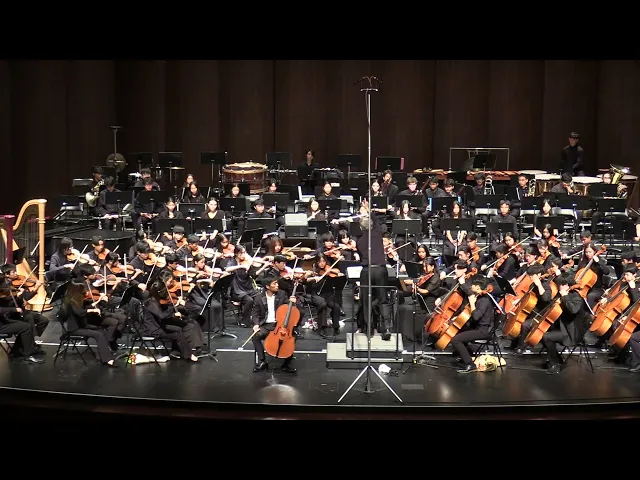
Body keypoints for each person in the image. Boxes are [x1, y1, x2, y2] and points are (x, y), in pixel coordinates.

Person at [61, 281, 116, 367]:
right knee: (98, 335)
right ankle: (107, 359)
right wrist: (92, 310)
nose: (85, 293)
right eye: (83, 292)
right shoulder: (71, 302)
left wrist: (98, 301)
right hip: (75, 329)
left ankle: (102, 355)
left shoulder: (77, 301)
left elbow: (86, 307)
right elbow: (79, 312)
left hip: (81, 325)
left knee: (102, 330)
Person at [540, 276, 587, 375]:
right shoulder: (562, 294)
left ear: (566, 285)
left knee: (546, 337)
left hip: (572, 332)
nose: (558, 287)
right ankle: (557, 359)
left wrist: (565, 297)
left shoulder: (576, 297)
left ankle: (556, 364)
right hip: (563, 327)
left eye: (560, 285)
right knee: (540, 334)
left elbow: (573, 310)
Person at [251, 275, 297, 373]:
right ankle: (262, 361)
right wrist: (256, 324)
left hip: (280, 324)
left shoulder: (282, 294)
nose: (277, 285)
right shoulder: (259, 298)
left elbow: (289, 309)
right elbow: (255, 313)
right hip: (266, 325)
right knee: (255, 336)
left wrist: (292, 303)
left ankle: (287, 364)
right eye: (274, 283)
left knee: (292, 335)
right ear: (267, 286)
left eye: (277, 283)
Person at [451, 277, 495, 373]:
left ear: (478, 287)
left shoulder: (484, 300)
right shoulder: (479, 297)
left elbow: (476, 317)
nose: (471, 287)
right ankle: (467, 355)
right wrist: (458, 319)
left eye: (472, 285)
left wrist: (472, 303)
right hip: (476, 327)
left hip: (482, 331)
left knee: (456, 340)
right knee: (458, 331)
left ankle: (470, 364)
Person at [0, 274, 45, 363]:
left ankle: (22, 349)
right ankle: (27, 354)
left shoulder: (7, 290)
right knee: (26, 326)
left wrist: (19, 297)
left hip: (3, 320)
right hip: (2, 324)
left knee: (27, 324)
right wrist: (14, 308)